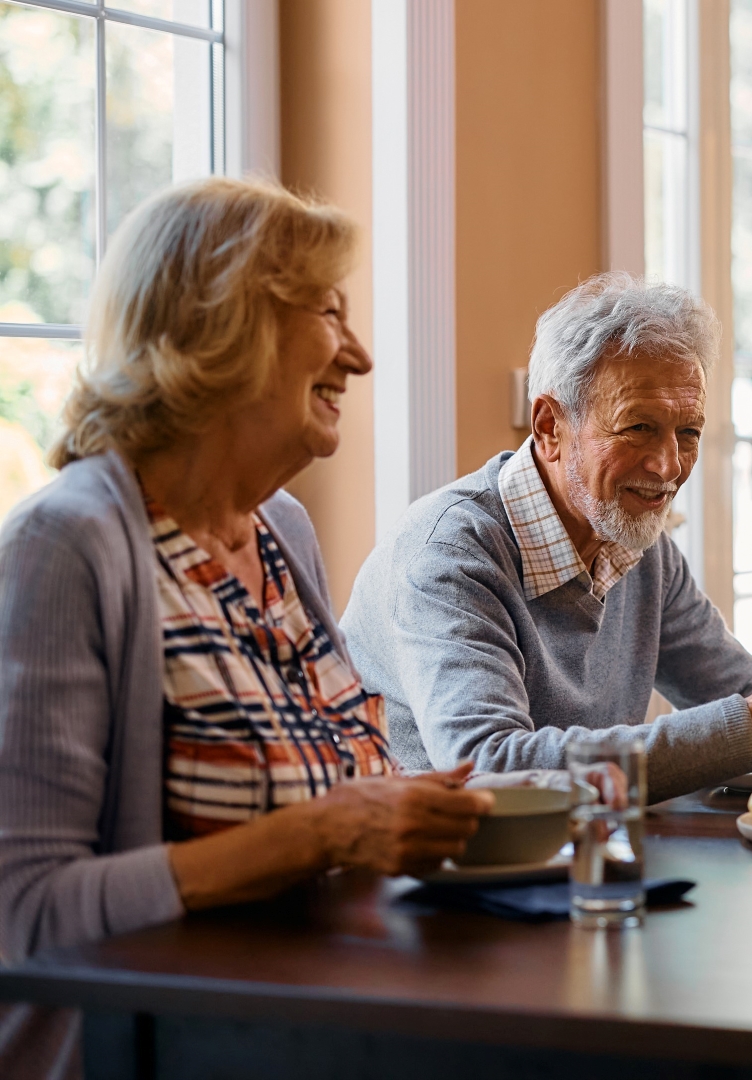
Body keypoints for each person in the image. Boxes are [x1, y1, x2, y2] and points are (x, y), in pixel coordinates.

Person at [0, 178, 494, 1079]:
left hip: (318, 1024)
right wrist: (323, 835)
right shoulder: (66, 547)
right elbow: (26, 915)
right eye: (331, 313)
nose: (362, 356)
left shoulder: (283, 532)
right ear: (223, 325)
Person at [341, 274, 752, 799]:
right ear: (550, 427)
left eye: (689, 433)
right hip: (426, 881)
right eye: (638, 427)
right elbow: (490, 765)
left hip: (580, 859)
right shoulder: (448, 556)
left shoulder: (638, 545)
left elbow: (739, 695)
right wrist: (749, 726)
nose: (669, 466)